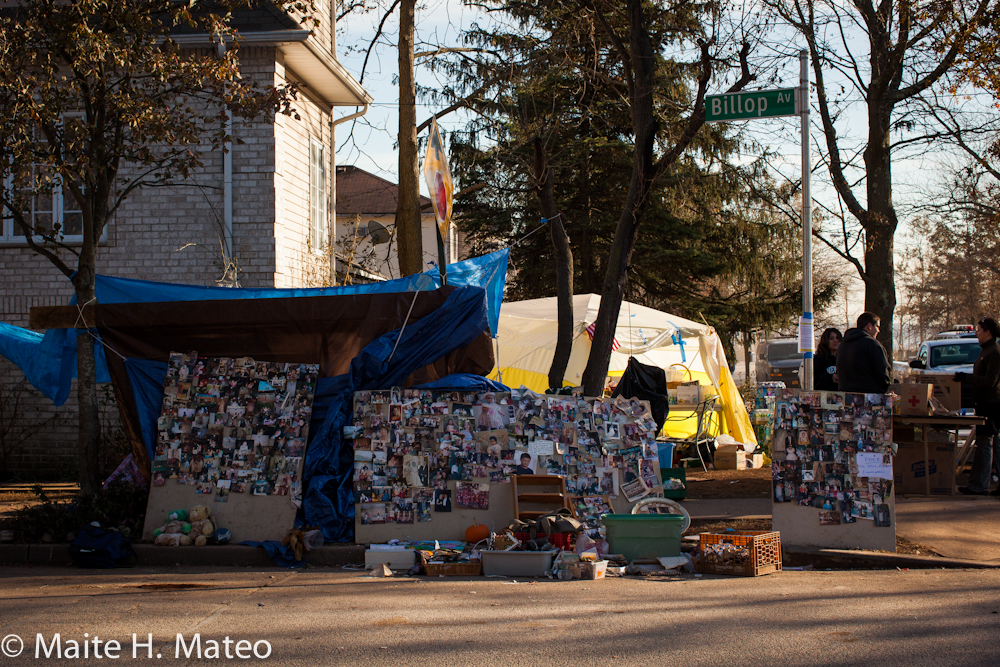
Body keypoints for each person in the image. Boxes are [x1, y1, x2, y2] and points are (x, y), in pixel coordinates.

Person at [955, 317, 1000, 496]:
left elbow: (990, 380)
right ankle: (979, 484)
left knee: (985, 444)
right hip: (985, 403)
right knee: (990, 444)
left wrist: (966, 378)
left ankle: (979, 485)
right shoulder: (986, 351)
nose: (976, 333)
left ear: (988, 332)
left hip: (991, 405)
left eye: (979, 330)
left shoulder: (994, 352)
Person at [835, 312, 891, 393]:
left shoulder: (842, 345)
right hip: (869, 394)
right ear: (869, 326)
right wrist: (885, 387)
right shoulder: (872, 344)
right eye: (877, 326)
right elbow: (882, 371)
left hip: (845, 394)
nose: (878, 331)